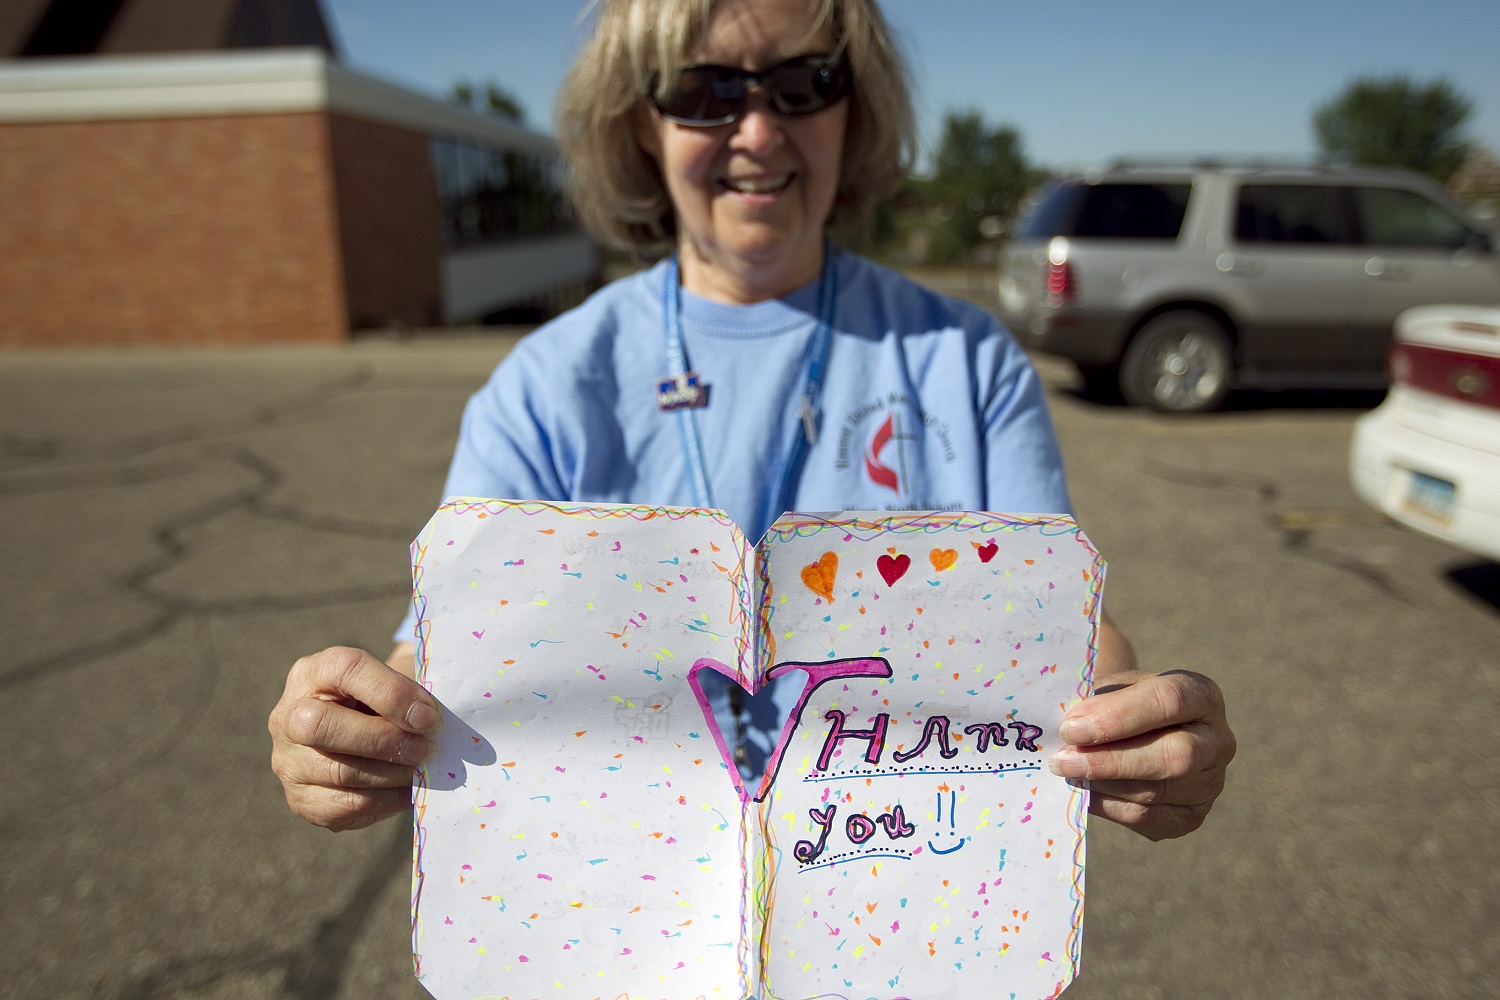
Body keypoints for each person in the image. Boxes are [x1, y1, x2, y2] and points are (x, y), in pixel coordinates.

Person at [269, 0, 1234, 845]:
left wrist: (1138, 727)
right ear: (640, 123)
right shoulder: (547, 386)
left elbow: (1067, 640)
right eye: (705, 91)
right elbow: (439, 665)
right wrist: (346, 733)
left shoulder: (968, 364)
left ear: (856, 107)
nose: (760, 130)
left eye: (804, 82)